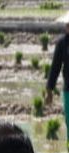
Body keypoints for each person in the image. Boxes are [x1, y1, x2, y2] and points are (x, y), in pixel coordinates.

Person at [46, 13, 69, 142]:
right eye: (67, 25)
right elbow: (55, 66)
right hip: (68, 89)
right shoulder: (62, 43)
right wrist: (50, 89)